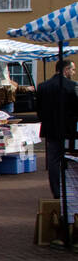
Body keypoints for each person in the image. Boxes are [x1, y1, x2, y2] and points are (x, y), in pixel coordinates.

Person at [35, 58, 78, 200]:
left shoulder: (42, 86)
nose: (73, 72)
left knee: (53, 161)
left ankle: (56, 190)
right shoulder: (72, 86)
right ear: (66, 70)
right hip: (68, 130)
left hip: (50, 128)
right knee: (70, 159)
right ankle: (70, 187)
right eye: (72, 69)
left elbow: (39, 109)